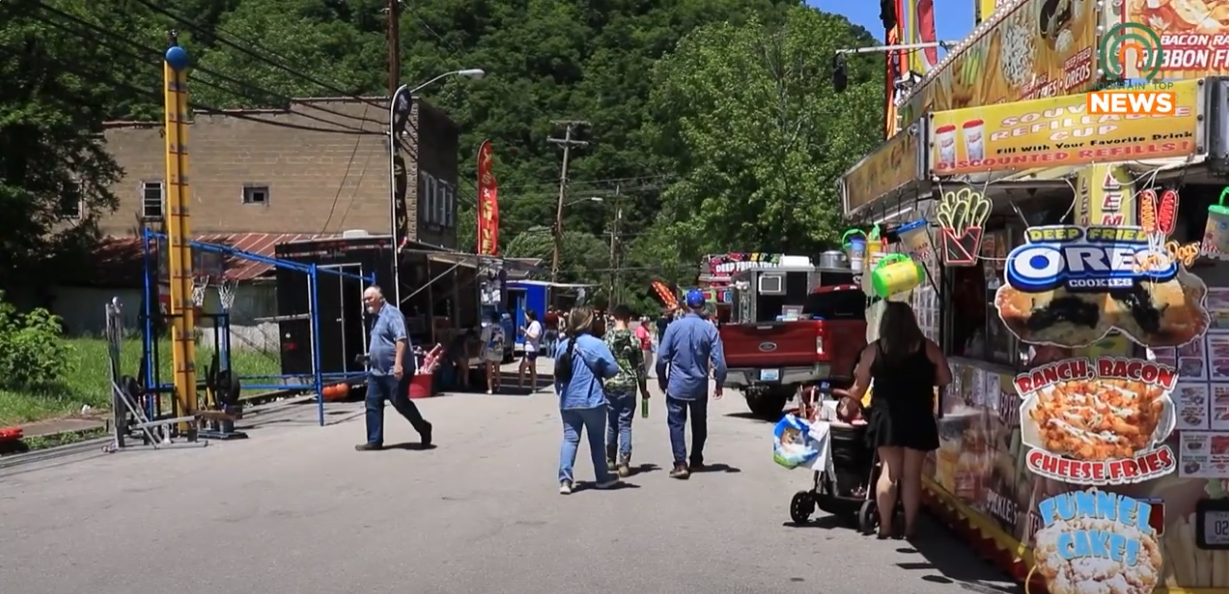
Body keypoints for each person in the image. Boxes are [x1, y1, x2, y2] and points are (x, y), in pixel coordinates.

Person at [841, 301, 951, 540]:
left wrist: (847, 407)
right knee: (912, 475)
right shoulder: (927, 347)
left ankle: (885, 526)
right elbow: (945, 377)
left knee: (888, 472)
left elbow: (860, 386)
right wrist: (922, 378)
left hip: (886, 417)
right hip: (918, 415)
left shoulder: (874, 350)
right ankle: (910, 528)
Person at [655, 289, 727, 479]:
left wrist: (662, 379)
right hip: (699, 386)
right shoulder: (710, 329)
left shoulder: (673, 327)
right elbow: (720, 362)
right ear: (702, 306)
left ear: (686, 305)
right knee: (699, 423)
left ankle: (680, 464)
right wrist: (719, 382)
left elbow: (662, 357)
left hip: (677, 385)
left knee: (676, 424)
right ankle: (695, 459)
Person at [356, 285, 432, 451]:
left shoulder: (392, 314)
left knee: (400, 401)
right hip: (377, 371)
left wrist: (398, 364)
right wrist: (368, 358)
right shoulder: (376, 318)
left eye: (369, 298)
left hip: (395, 370)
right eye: (364, 299)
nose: (366, 302)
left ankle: (423, 427)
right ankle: (374, 440)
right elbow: (382, 344)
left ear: (380, 298)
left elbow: (401, 339)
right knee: (372, 402)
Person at [554, 306, 621, 494]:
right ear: (589, 323)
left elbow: (557, 375)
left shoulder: (562, 345)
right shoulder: (596, 344)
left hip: (568, 400)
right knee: (597, 441)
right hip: (592, 400)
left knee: (570, 439)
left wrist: (560, 393)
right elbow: (613, 369)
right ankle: (602, 478)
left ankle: (565, 480)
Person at [603, 304, 649, 477]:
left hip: (611, 384)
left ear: (614, 317)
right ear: (629, 319)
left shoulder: (607, 339)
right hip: (629, 385)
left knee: (612, 424)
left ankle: (609, 459)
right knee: (625, 424)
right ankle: (624, 462)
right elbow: (640, 367)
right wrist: (644, 390)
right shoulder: (633, 339)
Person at [479, 311, 506, 394]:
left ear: (491, 319)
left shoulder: (487, 328)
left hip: (489, 351)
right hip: (499, 350)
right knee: (497, 370)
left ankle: (490, 389)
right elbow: (503, 341)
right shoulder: (502, 329)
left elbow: (483, 342)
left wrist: (480, 352)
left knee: (489, 371)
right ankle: (498, 387)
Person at [518, 309, 543, 391]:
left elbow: (534, 336)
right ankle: (533, 387)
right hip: (531, 348)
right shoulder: (532, 324)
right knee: (532, 368)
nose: (525, 318)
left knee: (522, 367)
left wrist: (525, 330)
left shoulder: (535, 325)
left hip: (531, 349)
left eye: (526, 316)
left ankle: (521, 385)